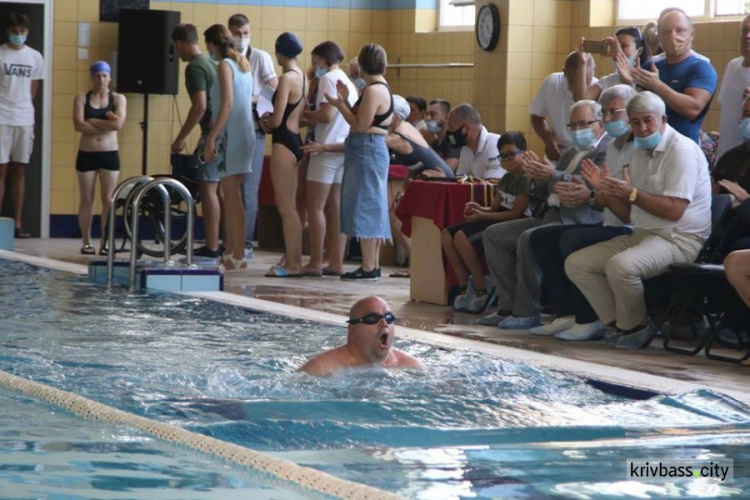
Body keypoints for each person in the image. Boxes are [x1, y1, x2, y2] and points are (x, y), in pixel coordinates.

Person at [565, 91, 711, 350]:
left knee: (621, 266)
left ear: (663, 119)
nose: (642, 128)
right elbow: (627, 215)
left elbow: (675, 210)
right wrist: (607, 191)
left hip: (679, 238)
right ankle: (620, 324)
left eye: (648, 121)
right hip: (643, 233)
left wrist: (631, 193)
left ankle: (637, 326)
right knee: (577, 263)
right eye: (635, 122)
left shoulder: (682, 150)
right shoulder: (640, 152)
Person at [478, 100, 612, 329]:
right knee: (494, 235)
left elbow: (587, 188)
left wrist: (551, 174)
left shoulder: (605, 150)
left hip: (580, 218)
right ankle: (507, 306)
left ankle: (526, 311)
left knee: (529, 237)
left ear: (600, 124)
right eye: (574, 125)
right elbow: (548, 186)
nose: (579, 130)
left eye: (584, 124)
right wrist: (536, 176)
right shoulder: (571, 150)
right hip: (551, 213)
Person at [527, 85, 637, 340]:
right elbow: (597, 193)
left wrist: (587, 194)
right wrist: (539, 174)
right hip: (601, 215)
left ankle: (589, 317)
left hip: (616, 223)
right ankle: (565, 314)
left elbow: (621, 202)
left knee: (570, 239)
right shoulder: (611, 148)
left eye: (613, 114)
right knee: (539, 238)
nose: (608, 119)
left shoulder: (618, 148)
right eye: (606, 113)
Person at [442, 132, 532, 315]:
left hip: (514, 222)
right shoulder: (507, 178)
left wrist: (481, 217)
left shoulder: (527, 178)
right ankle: (463, 285)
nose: (507, 160)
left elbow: (515, 213)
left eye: (511, 154)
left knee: (461, 237)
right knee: (446, 235)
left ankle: (482, 286)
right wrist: (479, 209)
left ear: (524, 153)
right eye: (503, 156)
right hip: (496, 217)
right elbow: (494, 208)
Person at [326, 43, 394, 282]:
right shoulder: (380, 87)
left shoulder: (374, 90)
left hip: (367, 149)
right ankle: (372, 265)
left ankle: (368, 267)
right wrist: (345, 101)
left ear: (363, 65)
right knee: (372, 204)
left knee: (367, 206)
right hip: (369, 149)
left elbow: (359, 125)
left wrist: (339, 105)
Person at [300, 41, 356, 277]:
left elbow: (326, 114)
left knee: (315, 208)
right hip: (343, 149)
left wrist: (302, 114)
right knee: (335, 209)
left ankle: (314, 262)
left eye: (315, 62)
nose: (314, 66)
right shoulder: (348, 82)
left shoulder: (328, 78)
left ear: (324, 59)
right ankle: (336, 262)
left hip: (324, 150)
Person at [203, 24, 256, 271]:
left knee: (231, 196)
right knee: (231, 195)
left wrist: (211, 138)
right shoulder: (242, 63)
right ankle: (236, 251)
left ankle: (237, 253)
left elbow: (227, 105)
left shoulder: (225, 65)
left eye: (208, 47)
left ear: (213, 44)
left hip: (231, 135)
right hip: (244, 133)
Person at [227, 14, 278, 254]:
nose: (241, 38)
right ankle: (231, 239)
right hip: (231, 129)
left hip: (254, 128)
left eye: (245, 33)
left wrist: (253, 99)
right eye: (237, 33)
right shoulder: (226, 59)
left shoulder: (260, 58)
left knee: (249, 188)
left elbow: (274, 89)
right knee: (228, 188)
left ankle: (245, 241)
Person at [170, 23, 221, 258]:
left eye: (175, 47)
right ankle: (226, 244)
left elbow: (199, 106)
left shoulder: (194, 67)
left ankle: (212, 246)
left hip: (212, 136)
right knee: (221, 191)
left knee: (207, 187)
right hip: (224, 134)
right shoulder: (212, 63)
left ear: (180, 43)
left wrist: (180, 138)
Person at [630, 8, 717, 144]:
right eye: (666, 31)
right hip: (646, 146)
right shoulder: (650, 67)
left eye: (679, 30)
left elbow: (693, 108)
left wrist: (657, 86)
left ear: (691, 34)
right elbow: (635, 107)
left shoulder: (700, 68)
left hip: (682, 148)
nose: (672, 36)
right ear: (658, 35)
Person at [260, 32, 306, 277]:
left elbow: (277, 119)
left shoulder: (286, 78)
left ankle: (293, 264)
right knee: (290, 206)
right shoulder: (302, 75)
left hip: (283, 143)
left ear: (279, 52)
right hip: (295, 141)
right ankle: (291, 258)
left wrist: (264, 120)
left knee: (286, 206)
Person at [72, 61, 126, 255]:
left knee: (108, 199)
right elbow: (78, 126)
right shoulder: (81, 98)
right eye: (97, 76)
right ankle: (87, 241)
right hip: (86, 154)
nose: (101, 79)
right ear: (92, 77)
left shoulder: (119, 98)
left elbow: (118, 125)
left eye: (104, 75)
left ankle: (106, 241)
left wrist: (92, 121)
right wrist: (106, 123)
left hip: (109, 153)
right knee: (86, 198)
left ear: (110, 77)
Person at [298, 296, 422, 377]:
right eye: (372, 318)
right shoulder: (322, 369)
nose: (384, 323)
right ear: (352, 329)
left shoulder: (410, 366)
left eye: (389, 318)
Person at [0, 12, 44, 239]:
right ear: (8, 31)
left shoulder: (35, 57)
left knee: (19, 169)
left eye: (23, 32)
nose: (19, 36)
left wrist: (25, 110)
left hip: (24, 118)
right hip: (1, 117)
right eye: (15, 32)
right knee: (1, 169)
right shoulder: (1, 53)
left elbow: (33, 89)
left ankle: (17, 223)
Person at [529, 52, 596, 161]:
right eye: (573, 81)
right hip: (559, 153)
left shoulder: (598, 89)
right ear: (564, 72)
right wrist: (548, 139)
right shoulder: (553, 82)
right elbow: (536, 116)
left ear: (594, 71)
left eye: (586, 81)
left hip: (587, 155)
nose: (577, 87)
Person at [573, 26, 646, 102]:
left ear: (640, 51)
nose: (617, 50)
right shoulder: (608, 80)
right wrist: (582, 63)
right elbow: (581, 99)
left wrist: (628, 82)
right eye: (616, 46)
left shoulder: (646, 81)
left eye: (623, 46)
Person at [716, 15, 750, 162]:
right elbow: (727, 114)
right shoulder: (733, 66)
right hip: (726, 158)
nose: (747, 36)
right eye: (745, 30)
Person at [447, 103, 504, 179]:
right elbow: (460, 181)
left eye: (451, 127)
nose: (448, 131)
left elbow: (491, 185)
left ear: (466, 128)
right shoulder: (466, 149)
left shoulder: (495, 145)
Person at [424, 98, 461, 173]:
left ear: (447, 118)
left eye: (432, 114)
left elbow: (447, 171)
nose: (428, 118)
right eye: (427, 114)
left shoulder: (454, 141)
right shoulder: (434, 143)